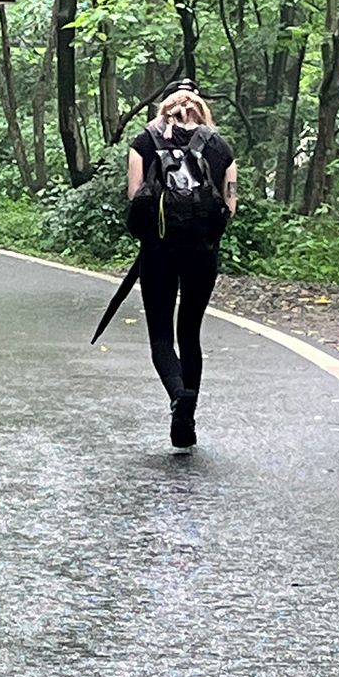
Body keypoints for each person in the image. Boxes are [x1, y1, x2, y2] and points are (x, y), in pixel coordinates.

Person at [126, 84, 237, 450]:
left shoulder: (144, 142)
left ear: (164, 109)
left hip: (157, 252)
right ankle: (186, 422)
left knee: (161, 336)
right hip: (202, 253)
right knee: (190, 334)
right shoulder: (221, 147)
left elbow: (135, 198)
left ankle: (177, 394)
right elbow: (230, 204)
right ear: (202, 111)